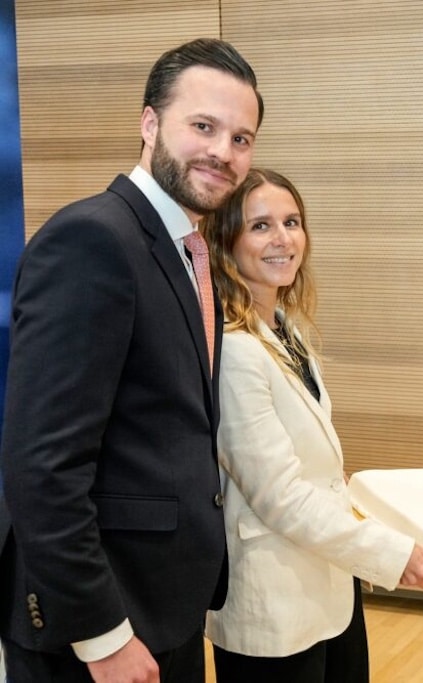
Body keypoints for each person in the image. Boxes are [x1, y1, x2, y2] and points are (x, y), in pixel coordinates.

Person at [0, 38, 263, 682]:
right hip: (94, 629)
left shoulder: (188, 250)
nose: (222, 153)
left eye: (241, 138)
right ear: (149, 125)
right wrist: (101, 636)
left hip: (160, 604)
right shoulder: (93, 239)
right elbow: (42, 465)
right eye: (203, 126)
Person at [202, 168, 423, 683]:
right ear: (226, 242)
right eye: (261, 226)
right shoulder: (235, 351)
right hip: (273, 604)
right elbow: (279, 495)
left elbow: (320, 471)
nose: (283, 239)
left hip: (331, 586)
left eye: (292, 222)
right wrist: (388, 552)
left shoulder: (284, 328)